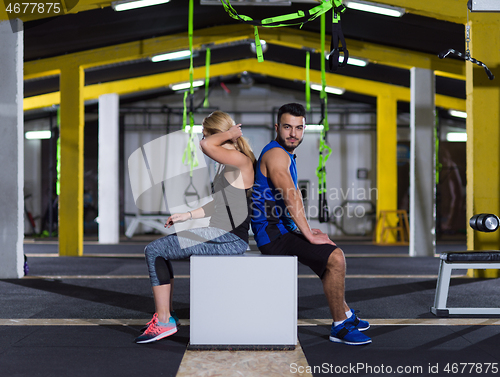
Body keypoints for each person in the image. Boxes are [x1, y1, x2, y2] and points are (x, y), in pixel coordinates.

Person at [251, 103, 371, 346]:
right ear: (277, 128)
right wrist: (308, 233)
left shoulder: (286, 155)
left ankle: (345, 313)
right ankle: (340, 326)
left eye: (299, 128)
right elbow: (290, 194)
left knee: (326, 259)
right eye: (287, 127)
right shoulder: (275, 154)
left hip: (281, 231)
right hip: (272, 236)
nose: (293, 133)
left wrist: (301, 230)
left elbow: (292, 195)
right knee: (335, 257)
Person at [135, 111, 255, 344]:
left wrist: (228, 133)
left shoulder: (240, 160)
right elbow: (219, 204)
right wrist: (187, 215)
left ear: (215, 135)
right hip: (219, 234)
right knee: (161, 250)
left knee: (154, 251)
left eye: (205, 132)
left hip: (228, 238)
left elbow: (205, 145)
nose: (202, 137)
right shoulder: (227, 164)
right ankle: (167, 315)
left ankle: (163, 322)